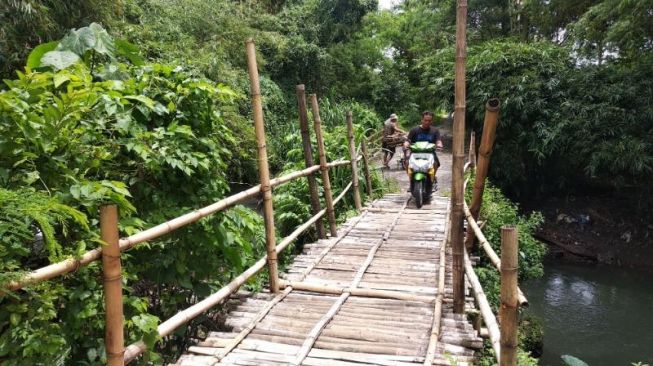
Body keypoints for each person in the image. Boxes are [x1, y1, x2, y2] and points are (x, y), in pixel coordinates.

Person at [403, 111, 443, 194]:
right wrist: (406, 144)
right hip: (415, 153)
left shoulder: (435, 131)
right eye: (425, 120)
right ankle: (411, 181)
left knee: (435, 163)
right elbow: (408, 140)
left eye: (429, 121)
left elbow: (438, 141)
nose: (427, 122)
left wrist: (439, 144)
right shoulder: (414, 130)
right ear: (422, 120)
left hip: (429, 153)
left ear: (432, 121)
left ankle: (432, 180)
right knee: (406, 162)